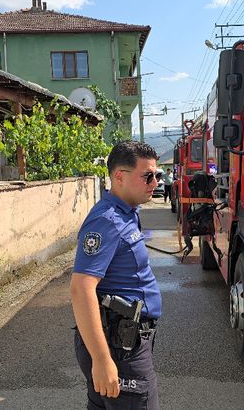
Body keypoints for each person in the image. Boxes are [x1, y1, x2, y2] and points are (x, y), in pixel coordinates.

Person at [70, 140, 162, 409]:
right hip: (118, 348)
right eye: (147, 176)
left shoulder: (127, 212)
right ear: (119, 177)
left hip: (124, 340)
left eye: (156, 175)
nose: (155, 182)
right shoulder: (107, 220)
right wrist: (101, 360)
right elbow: (81, 288)